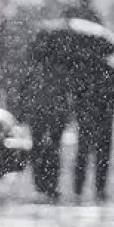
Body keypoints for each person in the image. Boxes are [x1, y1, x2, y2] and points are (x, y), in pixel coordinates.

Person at [22, 30, 73, 200]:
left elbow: (24, 90)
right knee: (53, 148)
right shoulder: (62, 67)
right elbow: (68, 91)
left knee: (38, 147)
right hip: (54, 113)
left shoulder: (34, 66)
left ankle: (41, 182)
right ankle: (50, 183)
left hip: (40, 112)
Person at [71, 55, 114, 201]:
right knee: (102, 155)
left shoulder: (84, 71)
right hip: (104, 118)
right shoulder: (111, 72)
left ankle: (78, 188)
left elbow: (75, 94)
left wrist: (77, 110)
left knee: (83, 154)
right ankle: (100, 188)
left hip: (86, 119)